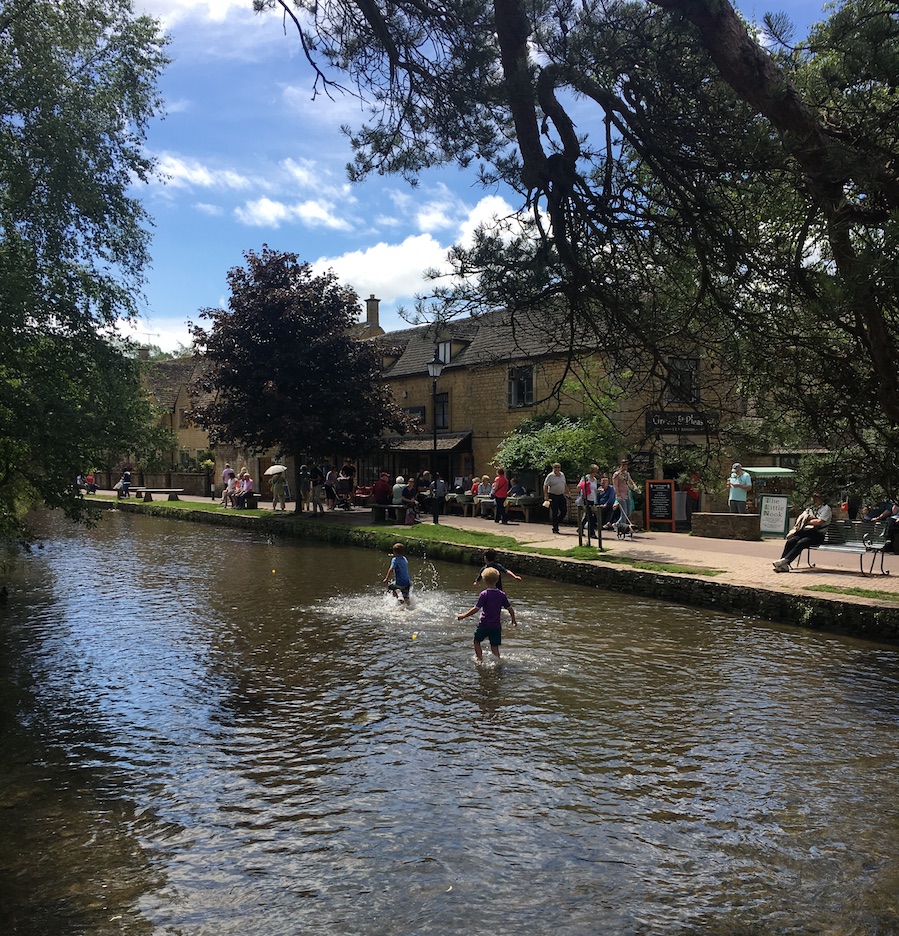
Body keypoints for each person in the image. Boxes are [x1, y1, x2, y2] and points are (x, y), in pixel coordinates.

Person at [457, 567, 518, 662]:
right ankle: (497, 662)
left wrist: (463, 615)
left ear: (484, 580)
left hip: (484, 624)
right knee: (494, 646)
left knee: (476, 641)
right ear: (497, 580)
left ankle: (479, 659)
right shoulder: (501, 594)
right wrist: (513, 620)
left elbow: (476, 609)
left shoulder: (484, 594)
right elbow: (510, 608)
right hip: (496, 626)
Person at [773, 492, 832, 572]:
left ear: (822, 498)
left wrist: (807, 521)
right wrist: (804, 521)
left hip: (818, 535)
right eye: (814, 497)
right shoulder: (810, 508)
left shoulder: (826, 509)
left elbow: (820, 522)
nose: (815, 499)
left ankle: (784, 561)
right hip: (807, 532)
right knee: (791, 541)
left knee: (801, 542)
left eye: (817, 498)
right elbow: (801, 517)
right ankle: (783, 564)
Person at [611, 459, 638, 525]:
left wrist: (635, 487)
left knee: (628, 512)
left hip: (627, 495)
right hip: (621, 495)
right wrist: (618, 495)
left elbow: (630, 481)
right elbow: (615, 486)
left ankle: (616, 525)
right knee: (624, 513)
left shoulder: (627, 474)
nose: (626, 467)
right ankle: (624, 529)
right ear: (622, 465)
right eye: (625, 465)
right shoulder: (616, 474)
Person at [543, 462, 568, 534]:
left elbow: (564, 484)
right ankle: (555, 528)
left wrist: (567, 493)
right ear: (553, 468)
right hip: (552, 495)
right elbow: (545, 486)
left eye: (558, 467)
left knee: (564, 511)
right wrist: (546, 495)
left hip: (561, 495)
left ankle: (556, 522)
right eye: (555, 467)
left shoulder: (562, 475)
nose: (557, 469)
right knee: (555, 512)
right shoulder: (550, 476)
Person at [578, 465, 599, 537]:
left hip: (592, 499)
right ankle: (591, 533)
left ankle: (580, 528)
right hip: (586, 499)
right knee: (590, 516)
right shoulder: (585, 478)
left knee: (587, 516)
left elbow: (594, 489)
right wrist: (585, 486)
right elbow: (579, 486)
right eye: (594, 471)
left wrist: (598, 491)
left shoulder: (595, 479)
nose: (595, 473)